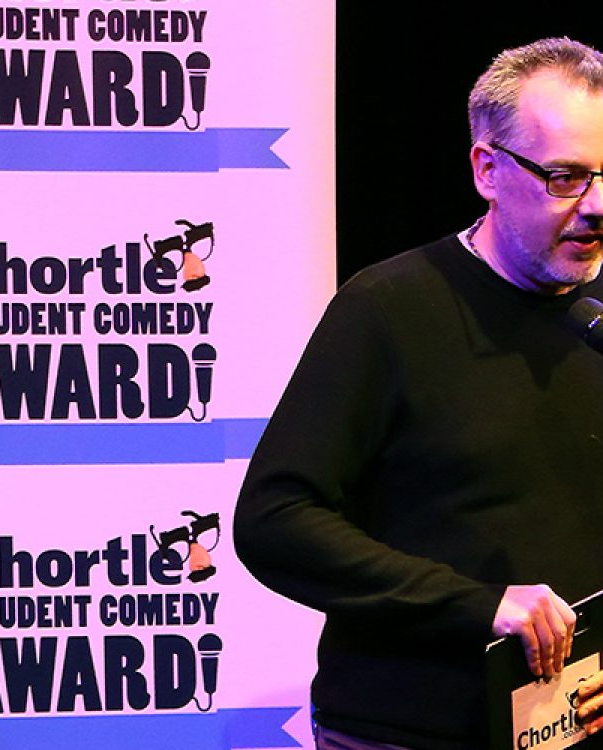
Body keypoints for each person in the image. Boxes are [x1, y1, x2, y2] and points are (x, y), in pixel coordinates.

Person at [233, 37, 603, 750]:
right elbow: (276, 519)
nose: (597, 207)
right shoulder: (388, 309)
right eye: (566, 178)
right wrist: (479, 606)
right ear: (488, 171)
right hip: (409, 729)